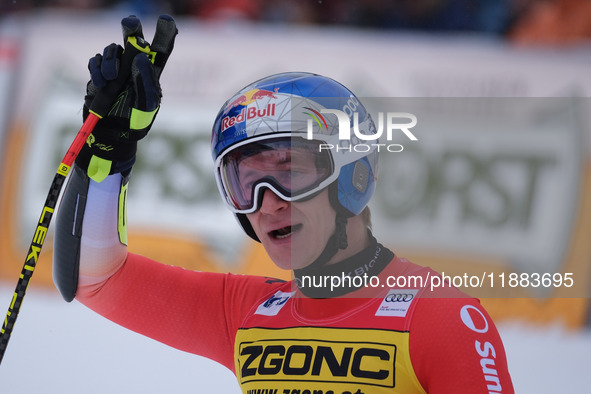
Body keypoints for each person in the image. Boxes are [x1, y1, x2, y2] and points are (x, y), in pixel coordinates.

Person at [53, 15, 514, 394]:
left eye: (290, 171)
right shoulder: (247, 314)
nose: (267, 202)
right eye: (247, 180)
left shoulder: (439, 316)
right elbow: (95, 277)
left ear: (353, 176)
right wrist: (106, 158)